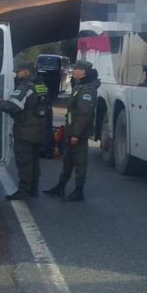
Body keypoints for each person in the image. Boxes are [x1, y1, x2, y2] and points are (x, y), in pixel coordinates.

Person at [44, 60, 100, 202]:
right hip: (71, 131)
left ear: (83, 72)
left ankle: (78, 191)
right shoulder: (79, 86)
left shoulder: (87, 90)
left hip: (78, 133)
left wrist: (76, 134)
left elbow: (84, 114)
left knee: (80, 162)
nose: (73, 71)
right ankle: (60, 187)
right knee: (68, 161)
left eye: (76, 69)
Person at [0, 61, 45, 200]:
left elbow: (13, 107)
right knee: (35, 162)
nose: (16, 74)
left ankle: (24, 191)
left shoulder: (24, 88)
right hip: (38, 130)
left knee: (24, 162)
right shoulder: (41, 86)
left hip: (25, 131)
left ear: (26, 72)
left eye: (18, 71)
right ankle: (33, 189)